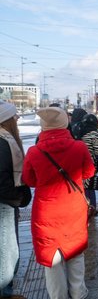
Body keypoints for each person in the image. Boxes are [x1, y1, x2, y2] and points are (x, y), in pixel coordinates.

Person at [22, 107, 95, 299]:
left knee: (52, 259)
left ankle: (58, 296)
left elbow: (29, 180)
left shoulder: (34, 151)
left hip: (46, 213)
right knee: (75, 252)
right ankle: (79, 292)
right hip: (74, 209)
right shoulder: (79, 147)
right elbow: (89, 173)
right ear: (65, 123)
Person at [0, 101, 26, 299]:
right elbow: (2, 180)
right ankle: (5, 292)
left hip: (7, 202)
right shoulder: (3, 142)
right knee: (6, 253)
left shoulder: (4, 140)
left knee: (8, 251)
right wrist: (19, 197)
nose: (17, 119)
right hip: (5, 204)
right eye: (14, 116)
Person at [76, 114, 98, 215]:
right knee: (90, 186)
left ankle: (82, 207)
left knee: (82, 187)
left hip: (78, 164)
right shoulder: (94, 134)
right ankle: (91, 207)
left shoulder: (79, 131)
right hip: (90, 164)